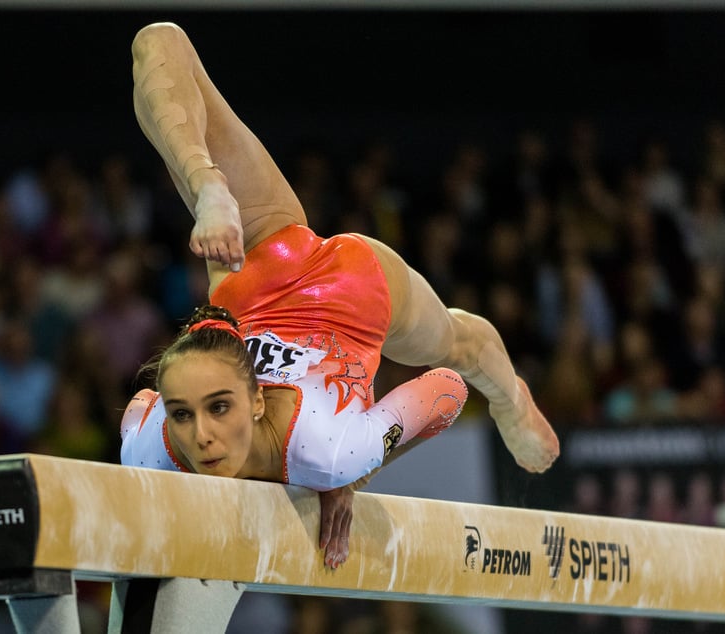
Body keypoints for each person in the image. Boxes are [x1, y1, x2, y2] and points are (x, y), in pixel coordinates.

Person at [119, 22, 560, 568]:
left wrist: (359, 460)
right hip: (297, 294)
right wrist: (361, 454)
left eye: (217, 408)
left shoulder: (315, 450)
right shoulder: (308, 449)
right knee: (155, 43)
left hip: (313, 280)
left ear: (256, 401)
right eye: (181, 414)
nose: (200, 435)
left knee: (458, 347)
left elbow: (449, 385)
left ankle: (511, 400)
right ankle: (206, 182)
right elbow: (144, 401)